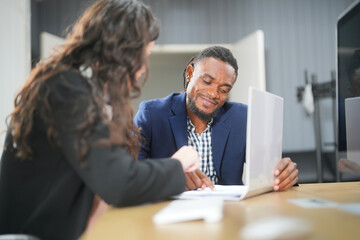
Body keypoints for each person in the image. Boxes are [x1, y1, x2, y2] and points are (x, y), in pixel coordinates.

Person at [0, 1, 200, 239]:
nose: (142, 70)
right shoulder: (66, 89)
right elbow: (120, 182)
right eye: (142, 57)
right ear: (122, 52)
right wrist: (177, 164)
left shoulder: (77, 87)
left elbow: (111, 173)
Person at [134, 46, 298, 191]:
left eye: (224, 89)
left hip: (229, 213)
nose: (214, 94)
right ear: (190, 73)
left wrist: (282, 174)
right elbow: (131, 174)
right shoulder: (152, 114)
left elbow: (267, 172)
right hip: (170, 213)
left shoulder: (242, 117)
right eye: (207, 81)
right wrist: (168, 178)